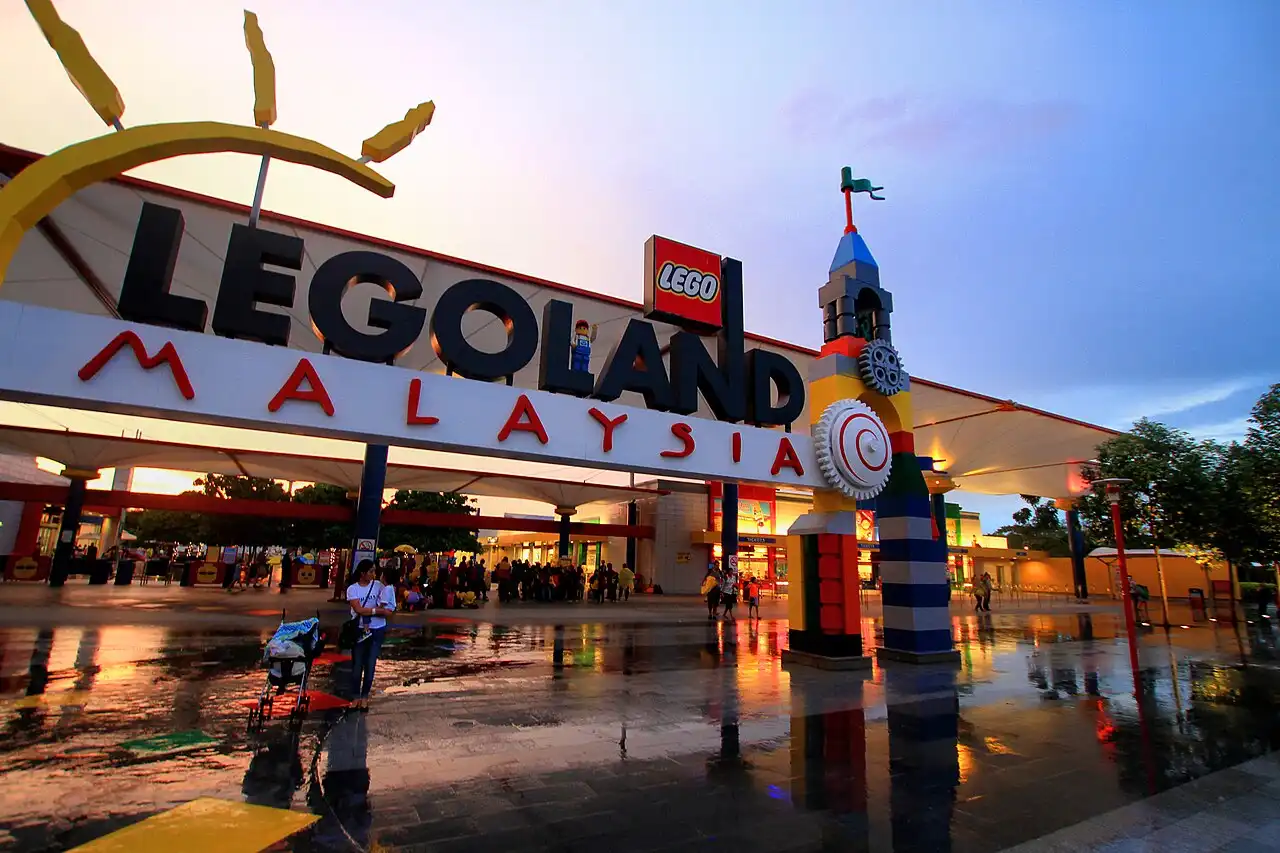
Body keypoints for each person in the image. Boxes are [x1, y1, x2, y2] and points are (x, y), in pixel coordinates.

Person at [346, 560, 396, 710]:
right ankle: (355, 696)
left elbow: (389, 608)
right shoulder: (352, 589)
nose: (374, 574)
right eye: (371, 571)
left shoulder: (380, 586)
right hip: (359, 630)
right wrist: (377, 611)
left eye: (375, 571)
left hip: (377, 630)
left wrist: (380, 611)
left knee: (370, 664)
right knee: (357, 665)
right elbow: (359, 610)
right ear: (362, 573)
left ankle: (364, 696)